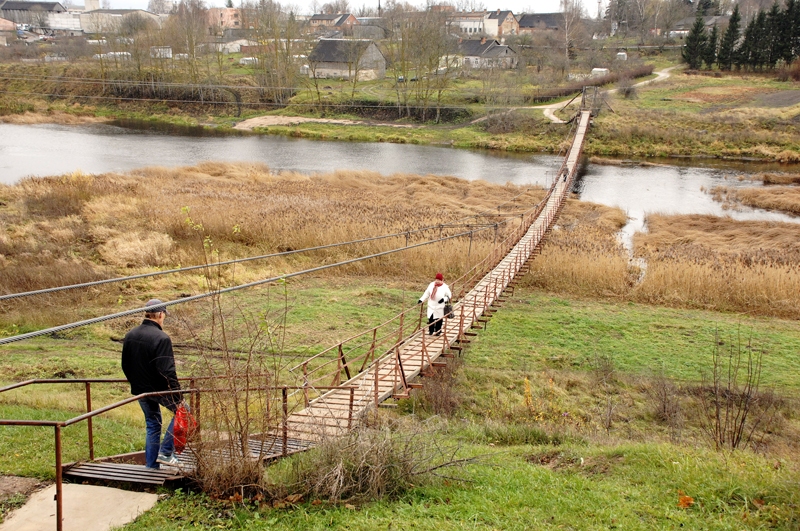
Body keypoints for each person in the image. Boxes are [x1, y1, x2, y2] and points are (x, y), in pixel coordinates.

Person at [121, 299, 183, 469]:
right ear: (161, 314)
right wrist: (177, 395)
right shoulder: (161, 338)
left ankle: (151, 466)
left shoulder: (130, 335)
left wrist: (136, 382)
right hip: (159, 390)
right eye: (164, 315)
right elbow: (167, 371)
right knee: (184, 412)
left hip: (141, 390)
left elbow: (125, 364)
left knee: (153, 424)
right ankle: (166, 451)